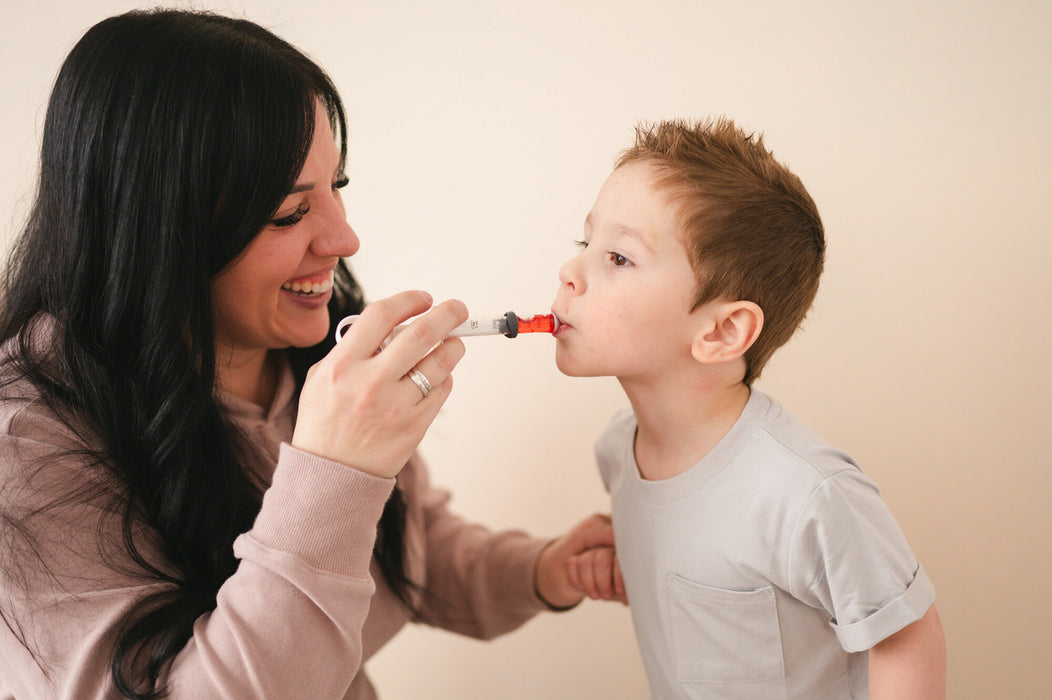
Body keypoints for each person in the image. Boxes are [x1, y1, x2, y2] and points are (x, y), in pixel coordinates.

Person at [0, 9, 618, 699]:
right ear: (156, 229)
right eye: (290, 212)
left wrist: (544, 569)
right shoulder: (26, 448)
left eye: (337, 189)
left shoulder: (306, 346)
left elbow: (402, 548)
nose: (344, 239)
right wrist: (333, 469)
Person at [555, 119, 947, 698]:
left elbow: (908, 640)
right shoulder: (617, 451)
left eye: (618, 257)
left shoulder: (806, 493)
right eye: (585, 244)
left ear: (722, 331)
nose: (570, 271)